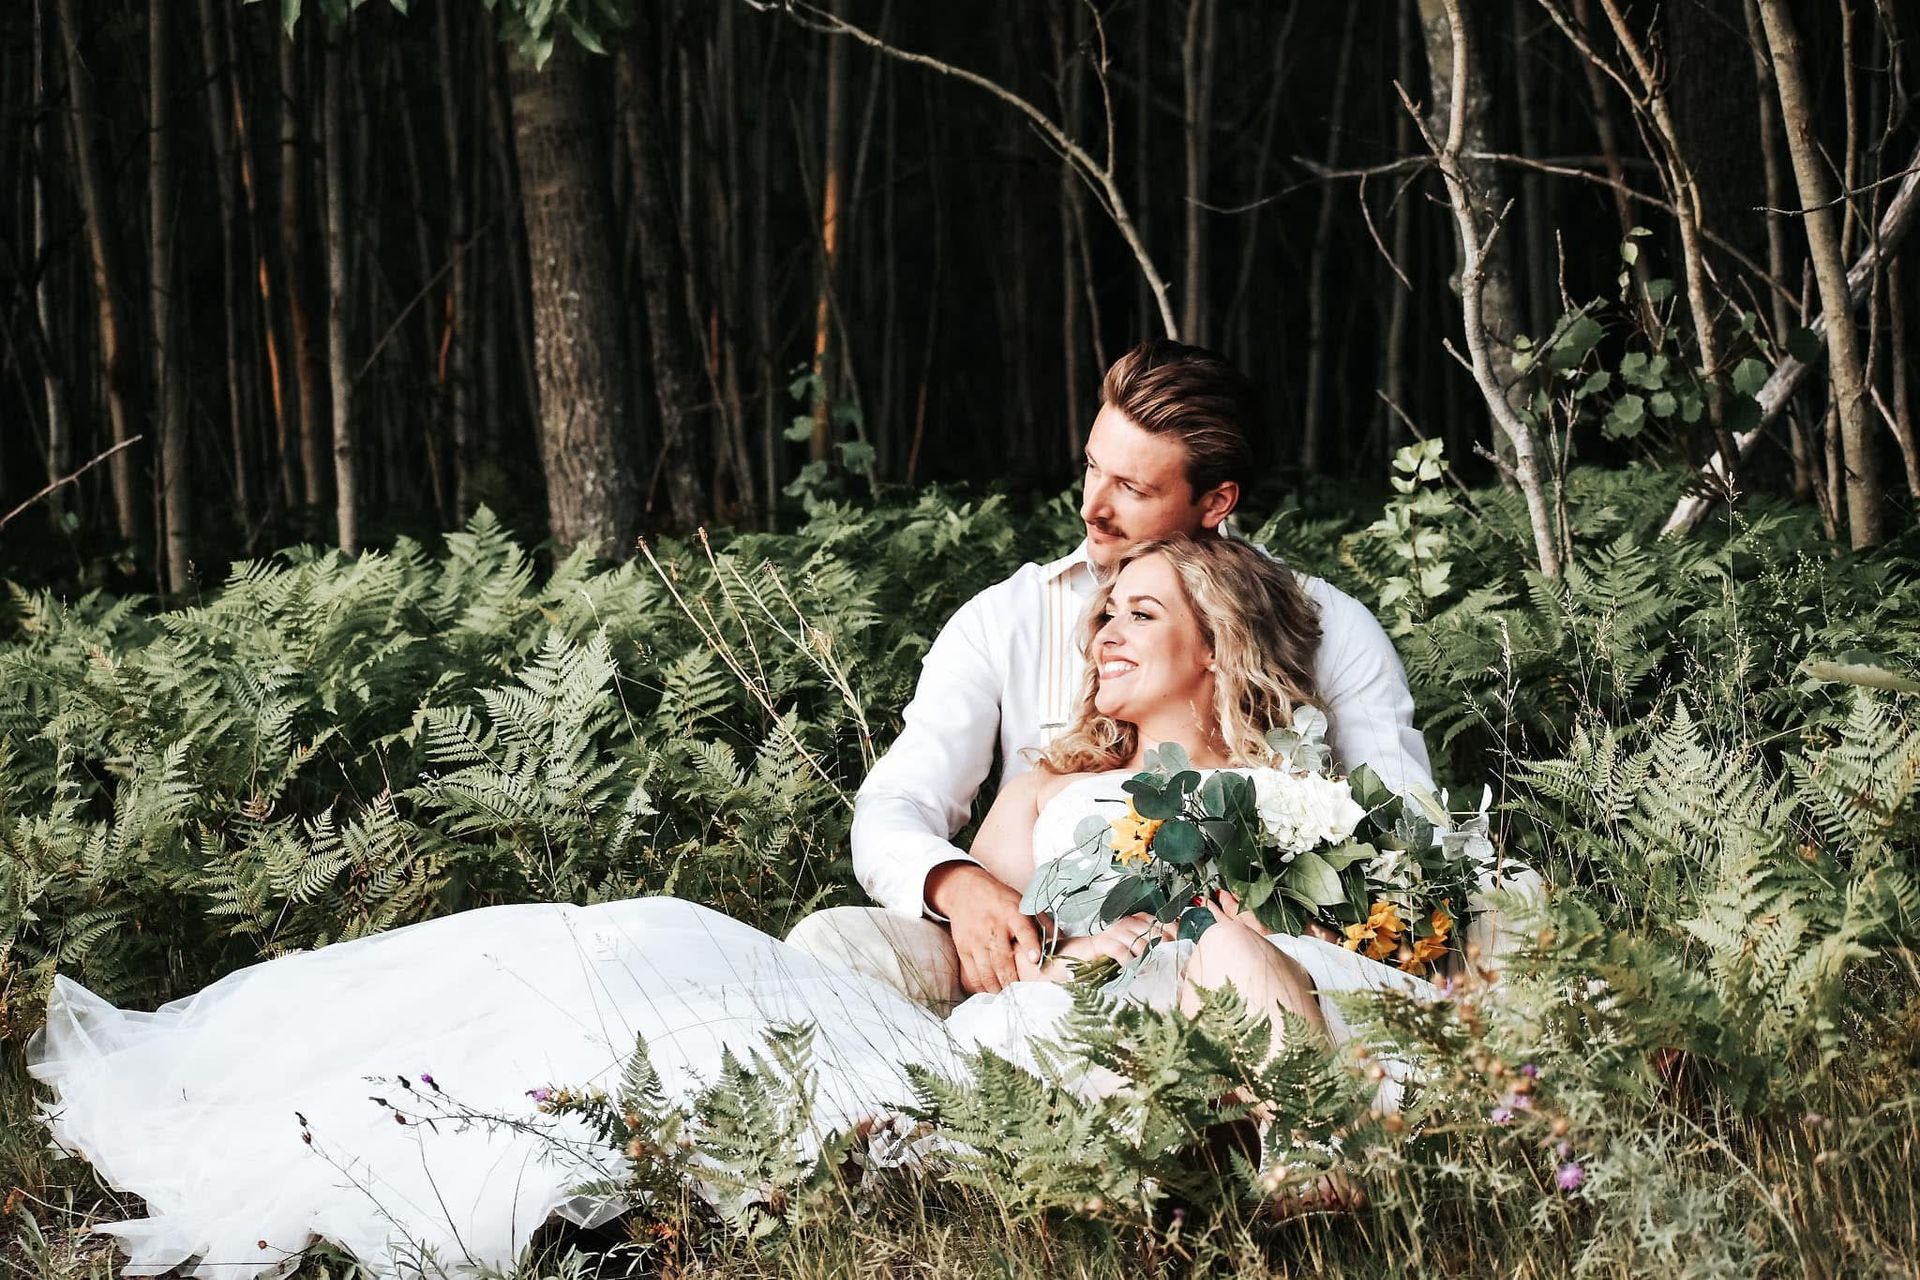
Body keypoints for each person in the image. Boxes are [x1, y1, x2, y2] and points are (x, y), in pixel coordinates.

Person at [27, 540, 1429, 1280]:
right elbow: (983, 915)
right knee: (627, 943)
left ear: (1216, 646)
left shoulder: (1294, 802)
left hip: (1125, 1037)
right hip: (1026, 1014)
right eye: (1100, 612)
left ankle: (597, 1191)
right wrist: (1015, 924)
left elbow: (1374, 922)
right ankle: (517, 1150)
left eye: (1136, 615)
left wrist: (1183, 919)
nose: (1100, 632)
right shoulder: (1069, 775)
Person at [788, 339, 1433, 1011]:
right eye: (1094, 467)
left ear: (1215, 501)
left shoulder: (1329, 625)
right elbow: (895, 803)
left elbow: (1408, 830)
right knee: (835, 947)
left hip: (1261, 958)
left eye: (1133, 488)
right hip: (1051, 958)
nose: (1093, 506)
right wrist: (958, 883)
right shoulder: (1007, 618)